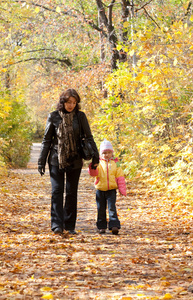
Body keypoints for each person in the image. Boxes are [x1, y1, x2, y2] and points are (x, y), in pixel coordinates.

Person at [38, 88, 99, 235]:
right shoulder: (53, 116)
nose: (71, 105)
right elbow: (46, 140)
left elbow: (88, 137)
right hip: (55, 159)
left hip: (75, 159)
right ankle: (57, 225)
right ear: (62, 102)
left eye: (74, 102)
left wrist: (96, 156)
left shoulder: (80, 116)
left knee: (71, 193)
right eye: (68, 102)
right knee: (56, 191)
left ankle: (69, 225)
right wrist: (41, 161)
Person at [88, 139, 127, 235]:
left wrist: (122, 189)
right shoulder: (99, 163)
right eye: (104, 153)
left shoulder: (115, 164)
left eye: (109, 152)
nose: (107, 154)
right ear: (101, 153)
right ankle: (101, 226)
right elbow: (94, 174)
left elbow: (120, 177)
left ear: (112, 153)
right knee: (101, 208)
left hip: (111, 190)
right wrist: (92, 167)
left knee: (112, 208)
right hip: (100, 190)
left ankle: (114, 225)